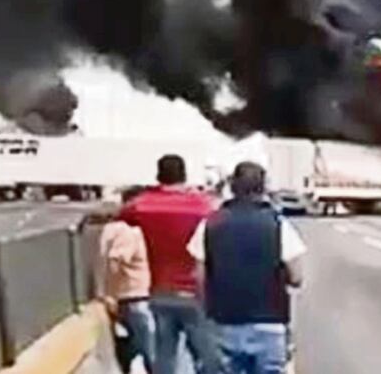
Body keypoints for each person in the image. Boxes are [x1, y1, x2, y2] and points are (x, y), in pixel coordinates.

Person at [188, 161, 306, 374]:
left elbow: (199, 277)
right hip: (269, 321)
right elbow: (296, 277)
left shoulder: (210, 224)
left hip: (224, 320)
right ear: (263, 187)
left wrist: (210, 307)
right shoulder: (278, 224)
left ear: (232, 187)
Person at [121, 154, 217, 374]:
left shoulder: (141, 206)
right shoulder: (203, 206)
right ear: (184, 175)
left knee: (164, 358)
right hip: (197, 292)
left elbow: (118, 220)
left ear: (158, 175)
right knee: (208, 358)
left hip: (158, 290)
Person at [99, 186, 155, 374]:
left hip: (124, 299)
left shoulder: (111, 228)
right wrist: (111, 294)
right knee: (149, 353)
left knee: (127, 350)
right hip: (135, 297)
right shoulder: (129, 231)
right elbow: (115, 260)